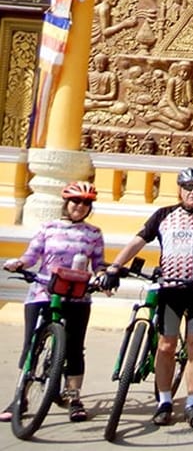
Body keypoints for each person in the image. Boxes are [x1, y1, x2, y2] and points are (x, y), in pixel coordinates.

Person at [105, 167, 193, 428]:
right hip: (170, 290)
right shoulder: (164, 215)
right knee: (166, 346)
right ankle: (164, 401)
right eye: (188, 187)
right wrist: (114, 267)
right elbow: (138, 241)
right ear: (179, 189)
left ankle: (192, 403)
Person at [0, 182, 105, 424]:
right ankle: (21, 396)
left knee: (75, 347)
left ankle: (74, 397)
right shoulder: (48, 228)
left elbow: (99, 263)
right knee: (33, 345)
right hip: (44, 292)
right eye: (76, 201)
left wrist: (102, 277)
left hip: (78, 295)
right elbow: (31, 256)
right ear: (66, 204)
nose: (80, 207)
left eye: (86, 203)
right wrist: (18, 264)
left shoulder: (94, 233)